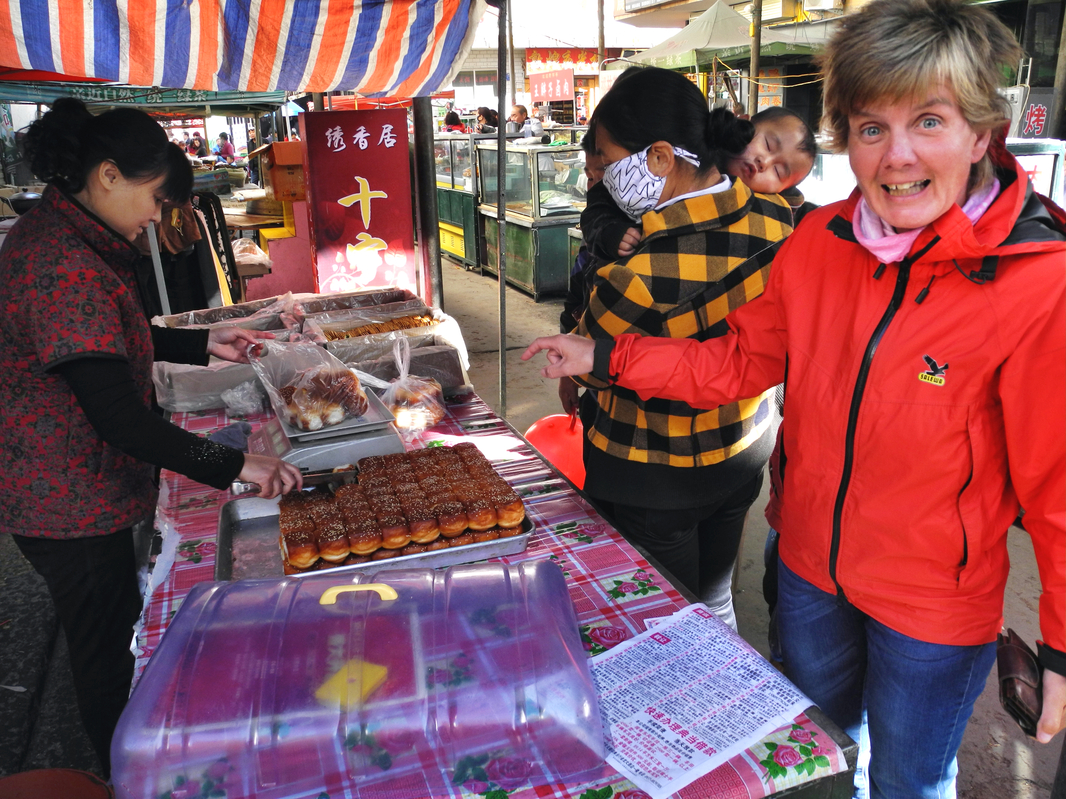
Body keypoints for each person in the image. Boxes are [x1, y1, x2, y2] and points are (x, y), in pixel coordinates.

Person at [523, 1, 1065, 795]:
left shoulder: (1037, 277)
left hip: (934, 606)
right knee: (818, 755)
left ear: (983, 133)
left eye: (930, 121)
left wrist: (1060, 642)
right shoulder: (820, 242)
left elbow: (1059, 483)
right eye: (871, 127)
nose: (896, 156)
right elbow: (738, 362)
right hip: (810, 571)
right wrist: (607, 352)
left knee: (910, 782)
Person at [0, 98, 303, 778]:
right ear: (108, 175)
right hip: (66, 500)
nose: (156, 218)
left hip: (77, 486)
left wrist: (204, 342)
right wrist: (232, 464)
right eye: (155, 198)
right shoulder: (61, 263)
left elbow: (107, 344)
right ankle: (123, 773)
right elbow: (119, 416)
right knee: (104, 645)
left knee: (110, 629)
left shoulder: (67, 235)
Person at [563, 67, 795, 630]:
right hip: (745, 449)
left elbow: (590, 366)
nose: (603, 178)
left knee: (663, 620)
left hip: (654, 472)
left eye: (610, 162)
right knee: (714, 596)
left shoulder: (637, 274)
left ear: (661, 158)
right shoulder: (777, 219)